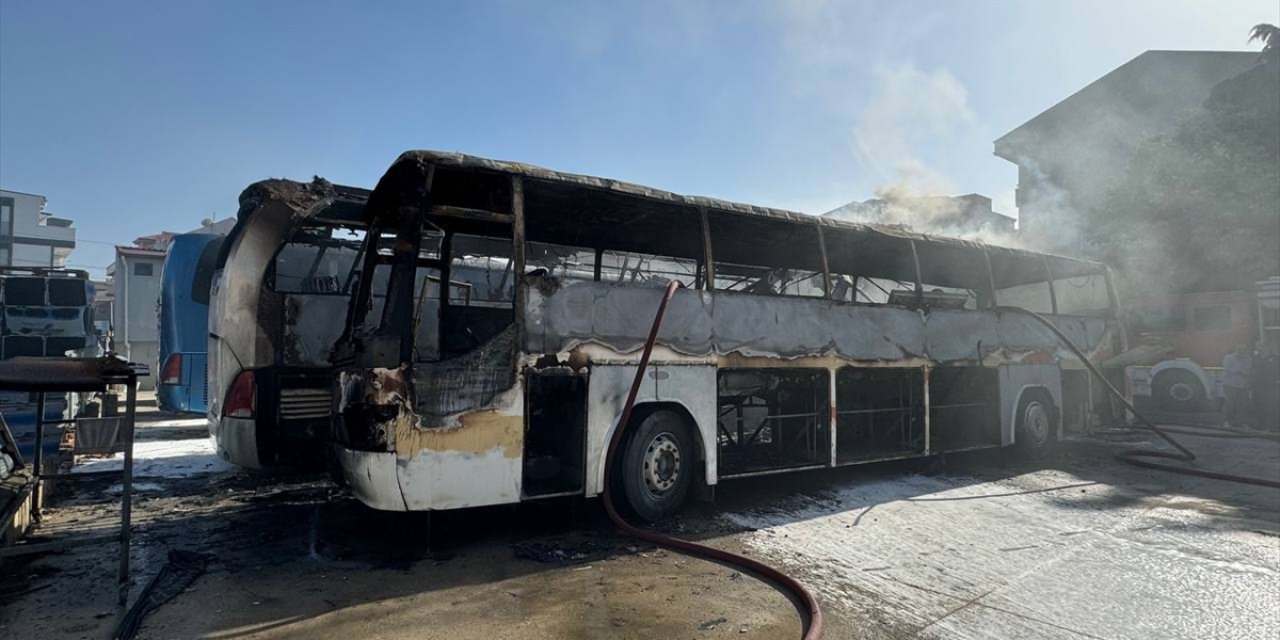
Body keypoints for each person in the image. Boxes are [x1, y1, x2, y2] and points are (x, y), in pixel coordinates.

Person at [1222, 343, 1253, 428]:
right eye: (1239, 349)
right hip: (1230, 384)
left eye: (1243, 349)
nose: (1241, 351)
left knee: (1243, 405)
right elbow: (1228, 369)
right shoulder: (1228, 358)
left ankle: (1241, 422)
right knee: (1230, 403)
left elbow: (1248, 371)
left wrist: (1239, 371)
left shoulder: (1249, 359)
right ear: (1236, 349)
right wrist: (1241, 371)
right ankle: (1227, 421)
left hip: (1243, 385)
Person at [1252, 341, 1279, 431]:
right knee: (1259, 406)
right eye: (1258, 347)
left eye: (1262, 346)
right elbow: (1251, 371)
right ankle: (1261, 425)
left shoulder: (1276, 358)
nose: (1259, 348)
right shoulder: (1255, 358)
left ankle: (1275, 426)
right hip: (1257, 387)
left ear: (1267, 347)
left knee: (1274, 406)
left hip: (1272, 386)